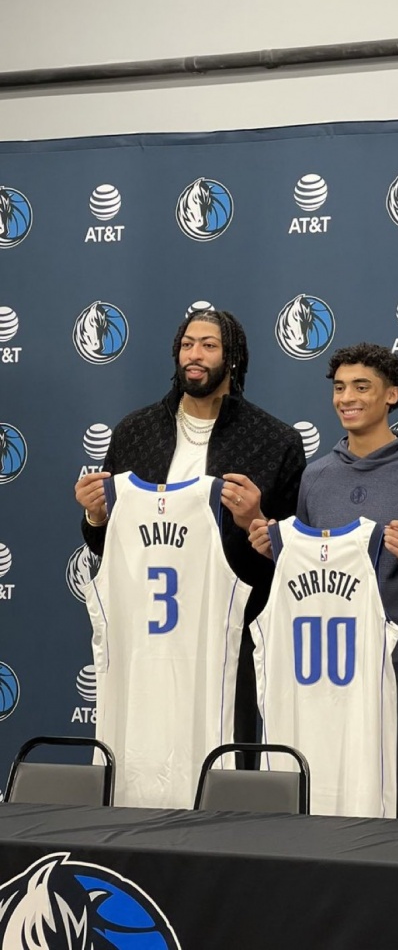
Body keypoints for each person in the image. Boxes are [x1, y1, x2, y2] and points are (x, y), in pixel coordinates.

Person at [250, 342, 398, 819]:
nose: (347, 398)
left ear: (391, 395)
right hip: (319, 674)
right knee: (321, 806)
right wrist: (277, 552)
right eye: (339, 388)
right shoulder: (316, 477)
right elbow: (310, 578)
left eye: (361, 387)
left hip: (397, 671)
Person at [75, 308, 306, 753]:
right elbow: (108, 546)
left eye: (209, 345)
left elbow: (291, 556)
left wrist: (255, 521)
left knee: (224, 758)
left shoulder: (274, 441)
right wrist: (96, 517)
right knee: (141, 749)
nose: (194, 355)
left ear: (232, 357)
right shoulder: (135, 432)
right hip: (144, 632)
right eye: (187, 345)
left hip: (229, 633)